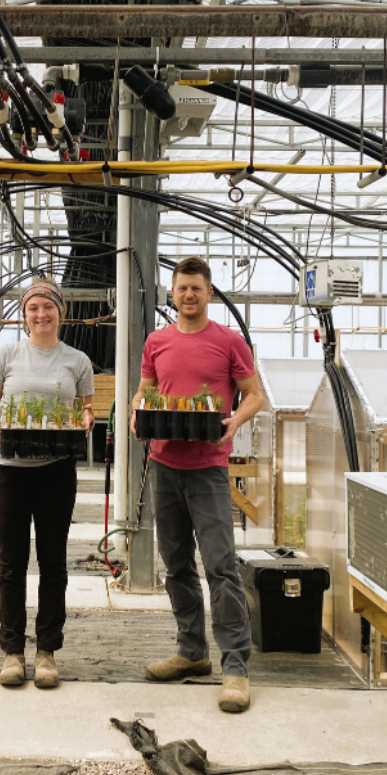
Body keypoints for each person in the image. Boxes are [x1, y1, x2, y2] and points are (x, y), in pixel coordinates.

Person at [131, 256, 262, 713]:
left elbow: (255, 394)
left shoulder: (228, 341)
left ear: (209, 293)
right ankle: (192, 651)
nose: (188, 295)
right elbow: (146, 392)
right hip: (164, 465)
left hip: (207, 468)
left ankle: (235, 667)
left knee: (221, 566)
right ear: (173, 293)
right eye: (181, 288)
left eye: (196, 288)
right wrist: (135, 414)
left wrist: (233, 422)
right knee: (177, 564)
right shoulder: (157, 341)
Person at [0, 278, 95, 689]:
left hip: (55, 470)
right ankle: (12, 651)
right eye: (33, 308)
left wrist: (85, 421)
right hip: (8, 469)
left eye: (48, 307)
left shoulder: (78, 360)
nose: (41, 314)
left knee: (53, 562)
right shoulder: (6, 354)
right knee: (11, 563)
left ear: (60, 312)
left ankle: (46, 651)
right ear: (24, 314)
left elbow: (85, 412)